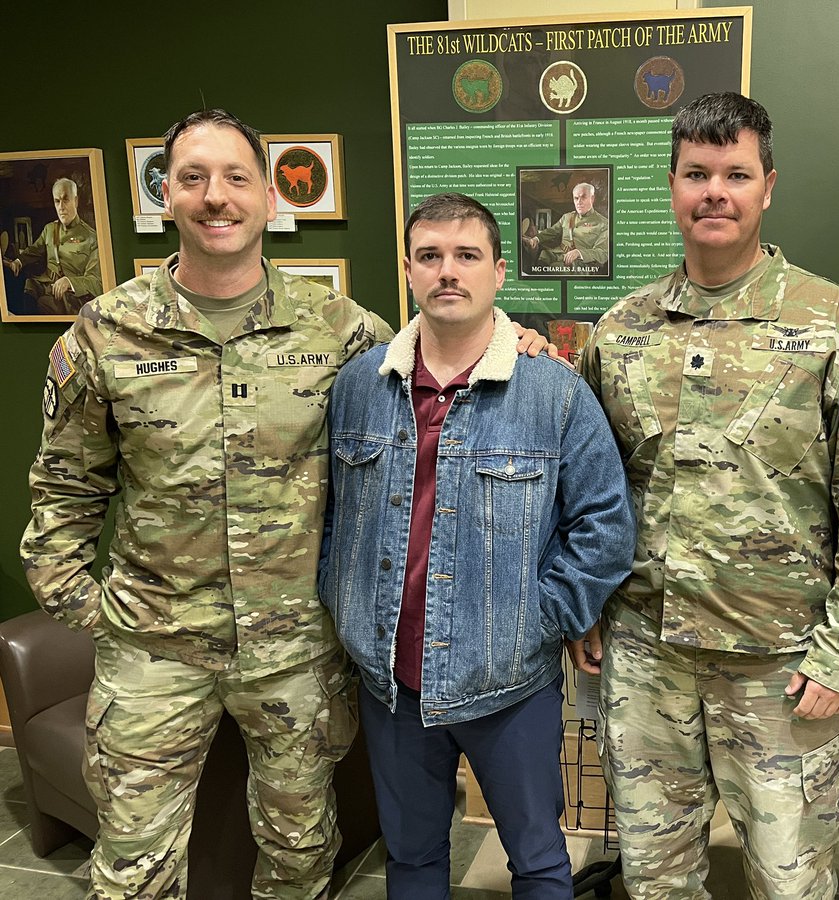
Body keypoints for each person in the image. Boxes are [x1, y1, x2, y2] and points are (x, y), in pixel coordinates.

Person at [19, 108, 549, 900]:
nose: (215, 197)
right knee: (131, 869)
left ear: (268, 197)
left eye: (235, 177)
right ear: (168, 194)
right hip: (154, 649)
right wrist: (94, 609)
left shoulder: (339, 329)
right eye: (193, 178)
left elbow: (443, 352)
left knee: (301, 856)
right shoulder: (107, 332)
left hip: (296, 648)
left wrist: (520, 342)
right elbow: (64, 486)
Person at [572, 92, 839, 899]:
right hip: (646, 657)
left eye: (735, 173)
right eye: (697, 173)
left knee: (790, 883)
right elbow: (587, 490)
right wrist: (582, 606)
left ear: (768, 187)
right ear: (673, 185)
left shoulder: (828, 322)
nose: (714, 191)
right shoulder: (622, 328)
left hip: (782, 668)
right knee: (656, 878)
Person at [318, 192, 635, 899]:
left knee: (539, 860)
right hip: (390, 684)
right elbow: (333, 518)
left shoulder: (553, 392)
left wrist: (541, 615)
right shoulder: (357, 389)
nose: (448, 272)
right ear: (407, 270)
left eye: (466, 256)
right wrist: (344, 607)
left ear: (498, 272)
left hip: (509, 685)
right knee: (413, 858)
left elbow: (606, 527)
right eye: (430, 256)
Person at [4, 176, 101, 315]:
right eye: (57, 201)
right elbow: (34, 251)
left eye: (66, 199)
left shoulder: (92, 238)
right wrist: (18, 262)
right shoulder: (50, 229)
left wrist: (70, 281)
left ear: (76, 201)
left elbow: (96, 281)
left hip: (70, 297)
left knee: (44, 304)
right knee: (24, 290)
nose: (61, 207)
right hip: (45, 285)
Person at [524, 181, 609, 273]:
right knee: (538, 263)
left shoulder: (604, 223)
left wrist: (579, 253)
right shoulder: (567, 217)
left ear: (592, 199)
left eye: (583, 197)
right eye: (576, 198)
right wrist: (536, 239)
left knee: (552, 270)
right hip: (558, 256)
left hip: (582, 265)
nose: (579, 202)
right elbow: (552, 231)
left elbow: (603, 253)